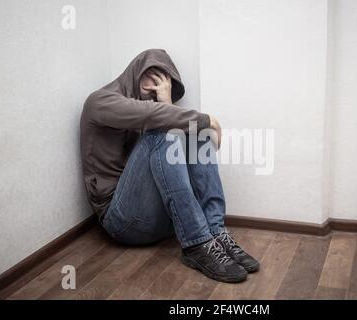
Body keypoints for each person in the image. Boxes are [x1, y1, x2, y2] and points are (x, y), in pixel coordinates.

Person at [79, 49, 259, 283]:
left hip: (162, 222)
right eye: (152, 74)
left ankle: (215, 232)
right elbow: (151, 116)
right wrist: (209, 120)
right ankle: (197, 244)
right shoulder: (100, 101)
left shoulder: (147, 107)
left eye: (164, 80)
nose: (156, 83)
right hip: (122, 222)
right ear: (136, 70)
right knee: (168, 131)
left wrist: (169, 103)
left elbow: (162, 119)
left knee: (196, 133)